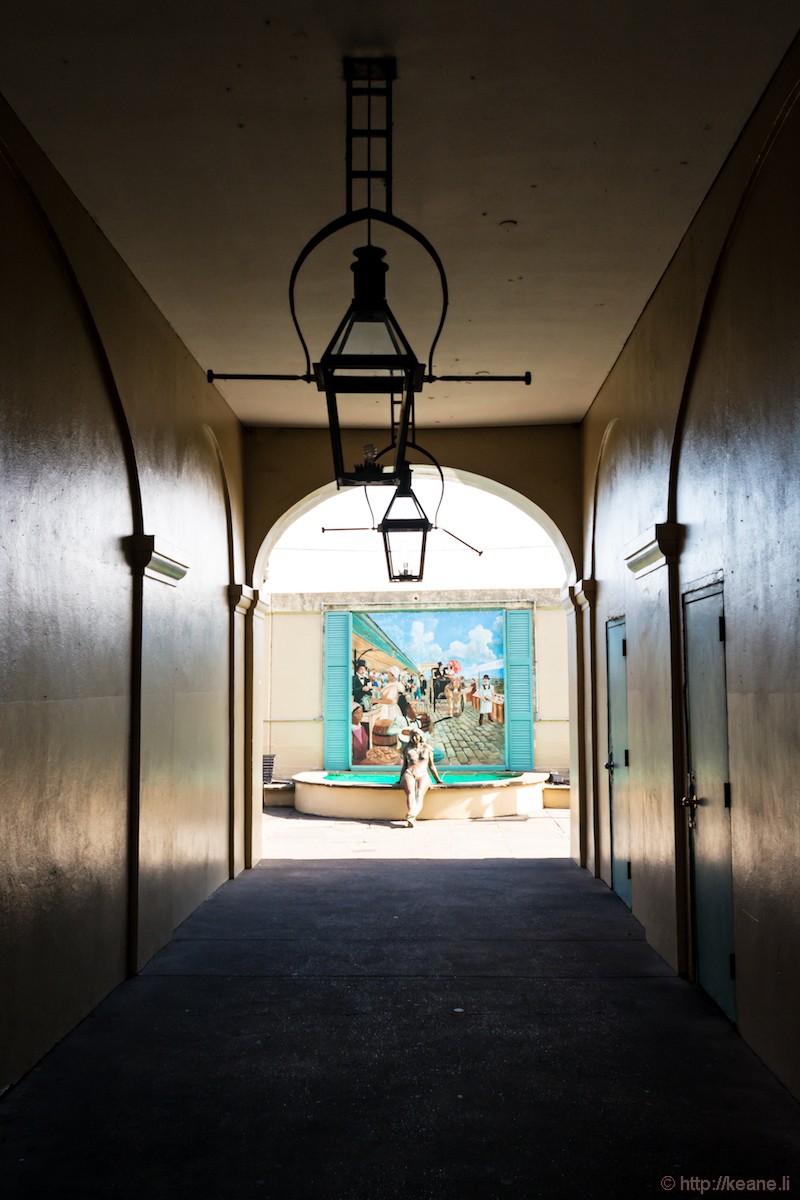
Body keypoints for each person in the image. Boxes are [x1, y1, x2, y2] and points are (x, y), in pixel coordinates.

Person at [397, 729, 443, 826]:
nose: (414, 738)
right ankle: (411, 816)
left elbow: (431, 766)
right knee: (410, 793)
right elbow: (404, 766)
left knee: (420, 793)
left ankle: (411, 815)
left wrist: (438, 780)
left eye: (416, 735)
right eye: (412, 736)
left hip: (423, 774)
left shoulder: (428, 748)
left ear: (421, 736)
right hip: (409, 773)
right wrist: (400, 778)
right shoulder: (406, 749)